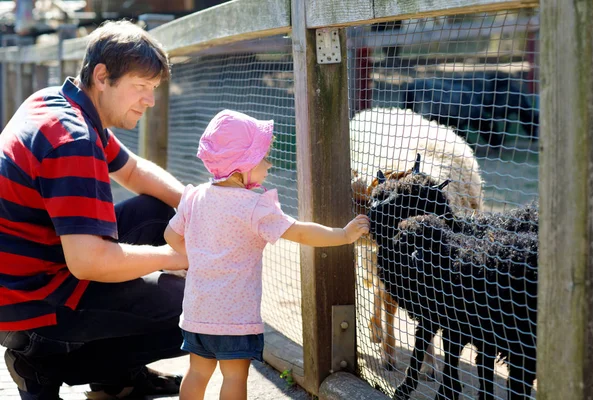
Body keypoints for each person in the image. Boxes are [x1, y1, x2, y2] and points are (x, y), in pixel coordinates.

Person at [0, 20, 189, 400]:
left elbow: (132, 170)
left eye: (153, 89)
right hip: (30, 301)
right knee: (197, 309)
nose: (149, 100)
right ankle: (43, 363)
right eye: (140, 87)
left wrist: (198, 206)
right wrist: (176, 257)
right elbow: (89, 262)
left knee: (157, 212)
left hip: (27, 275)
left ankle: (119, 381)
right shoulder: (72, 139)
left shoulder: (58, 103)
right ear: (102, 76)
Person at [164, 109, 371, 400]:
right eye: (263, 158)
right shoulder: (254, 207)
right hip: (235, 317)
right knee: (234, 376)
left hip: (198, 311)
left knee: (197, 372)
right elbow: (299, 232)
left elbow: (170, 236)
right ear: (241, 167)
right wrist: (343, 235)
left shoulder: (195, 196)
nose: (269, 164)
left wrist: (199, 255)